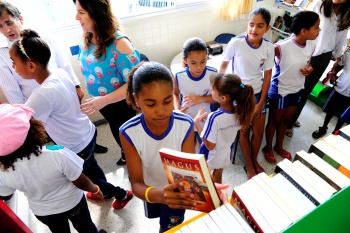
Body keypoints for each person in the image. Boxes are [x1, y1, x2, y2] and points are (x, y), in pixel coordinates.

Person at [9, 29, 132, 210]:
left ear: (31, 66)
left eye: (14, 63)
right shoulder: (59, 73)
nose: (13, 68)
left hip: (75, 145)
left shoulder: (42, 95)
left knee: (88, 177)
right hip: (87, 132)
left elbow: (24, 123)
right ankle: (106, 193)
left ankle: (121, 193)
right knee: (92, 165)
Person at [119, 62, 228, 232]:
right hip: (151, 190)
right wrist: (161, 195)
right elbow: (137, 184)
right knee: (159, 217)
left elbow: (189, 171)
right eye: (151, 104)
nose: (161, 111)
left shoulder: (185, 124)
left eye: (167, 101)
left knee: (168, 228)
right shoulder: (128, 132)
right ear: (136, 100)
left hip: (179, 192)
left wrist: (209, 190)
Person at [0, 1, 108, 154]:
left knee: (74, 121)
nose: (6, 29)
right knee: (60, 132)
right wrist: (24, 115)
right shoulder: (2, 53)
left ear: (20, 19)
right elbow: (11, 90)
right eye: (0, 26)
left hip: (61, 89)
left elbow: (62, 62)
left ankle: (87, 147)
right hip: (36, 103)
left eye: (9, 22)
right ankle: (73, 153)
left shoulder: (41, 36)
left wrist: (76, 85)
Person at [0, 104, 103, 233]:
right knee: (86, 227)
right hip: (73, 204)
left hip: (44, 212)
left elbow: (6, 195)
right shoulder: (57, 153)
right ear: (34, 130)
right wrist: (96, 189)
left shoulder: (3, 172)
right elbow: (82, 182)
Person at [73, 0, 140, 165]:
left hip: (120, 103)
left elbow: (134, 83)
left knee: (126, 134)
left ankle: (136, 162)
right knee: (116, 129)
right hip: (103, 103)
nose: (76, 17)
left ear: (97, 13)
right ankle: (127, 154)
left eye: (81, 12)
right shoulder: (87, 37)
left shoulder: (120, 44)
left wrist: (103, 100)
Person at [219, 8, 274, 178]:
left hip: (257, 95)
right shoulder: (236, 43)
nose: (254, 30)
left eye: (260, 26)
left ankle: (254, 159)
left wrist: (261, 102)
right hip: (240, 95)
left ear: (268, 28)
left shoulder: (268, 47)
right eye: (251, 25)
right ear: (246, 25)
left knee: (258, 130)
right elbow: (223, 68)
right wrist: (221, 89)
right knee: (244, 130)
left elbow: (267, 76)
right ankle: (249, 164)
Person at [262, 11, 321, 163]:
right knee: (274, 121)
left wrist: (310, 69)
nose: (319, 30)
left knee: (285, 121)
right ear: (303, 31)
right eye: (316, 27)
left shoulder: (312, 44)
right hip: (280, 90)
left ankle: (278, 146)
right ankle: (268, 147)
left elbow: (307, 62)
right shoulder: (281, 47)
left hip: (297, 89)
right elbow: (262, 60)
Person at [286, 0, 350, 136]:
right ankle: (286, 120)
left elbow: (342, 37)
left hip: (324, 57)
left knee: (306, 90)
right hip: (308, 53)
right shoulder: (319, 4)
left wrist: (337, 57)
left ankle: (292, 120)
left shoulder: (345, 14)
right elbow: (301, 25)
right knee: (297, 88)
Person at [194, 73, 255, 183]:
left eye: (213, 90)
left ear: (223, 98)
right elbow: (226, 123)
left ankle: (211, 196)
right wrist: (210, 121)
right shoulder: (240, 113)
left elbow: (210, 145)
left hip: (209, 156)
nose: (211, 91)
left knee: (205, 178)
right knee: (218, 173)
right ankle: (219, 195)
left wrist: (197, 124)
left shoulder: (214, 118)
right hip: (225, 152)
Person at [173, 37, 217, 145]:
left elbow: (218, 97)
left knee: (205, 147)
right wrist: (177, 110)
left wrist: (201, 99)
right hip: (187, 118)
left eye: (203, 61)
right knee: (189, 147)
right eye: (193, 63)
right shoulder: (179, 76)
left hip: (205, 120)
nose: (199, 67)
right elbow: (175, 94)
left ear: (207, 57)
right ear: (185, 60)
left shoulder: (213, 74)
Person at [312, 48, 350, 138]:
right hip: (339, 88)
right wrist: (333, 74)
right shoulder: (348, 56)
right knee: (330, 110)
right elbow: (339, 65)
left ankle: (335, 133)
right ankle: (323, 128)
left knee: (343, 116)